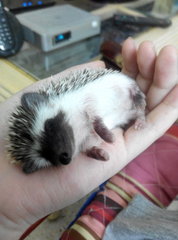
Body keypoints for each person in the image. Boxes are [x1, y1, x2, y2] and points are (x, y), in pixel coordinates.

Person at [0, 38, 177, 240]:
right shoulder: (71, 137)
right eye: (48, 156)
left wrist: (99, 125)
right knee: (89, 143)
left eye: (50, 128)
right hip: (117, 115)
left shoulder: (72, 103)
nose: (62, 155)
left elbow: (89, 107)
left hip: (119, 100)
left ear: (45, 105)